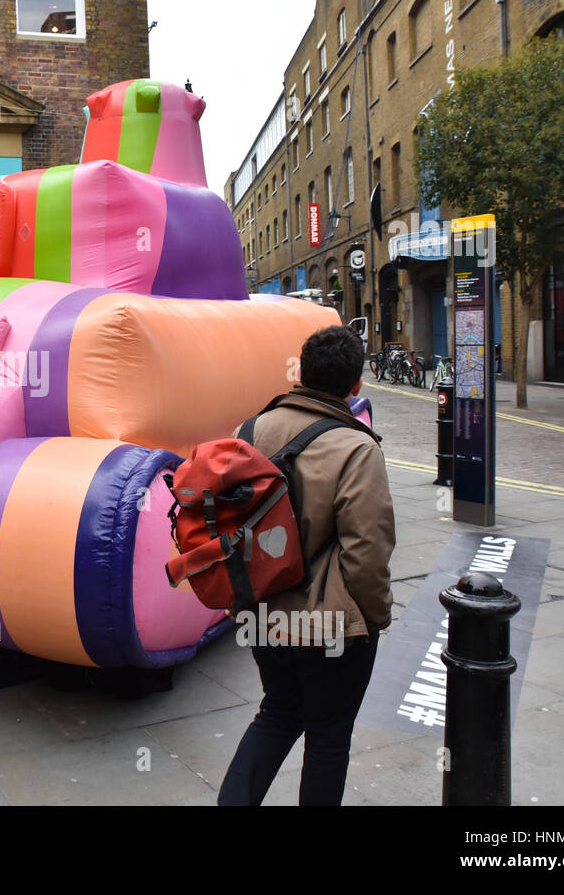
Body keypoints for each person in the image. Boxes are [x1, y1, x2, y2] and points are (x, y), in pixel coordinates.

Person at [218, 324, 395, 807]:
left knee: (277, 713)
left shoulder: (248, 431)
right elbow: (367, 552)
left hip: (261, 611)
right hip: (330, 626)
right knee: (328, 736)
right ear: (356, 384)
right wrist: (375, 617)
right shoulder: (358, 449)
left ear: (302, 371)